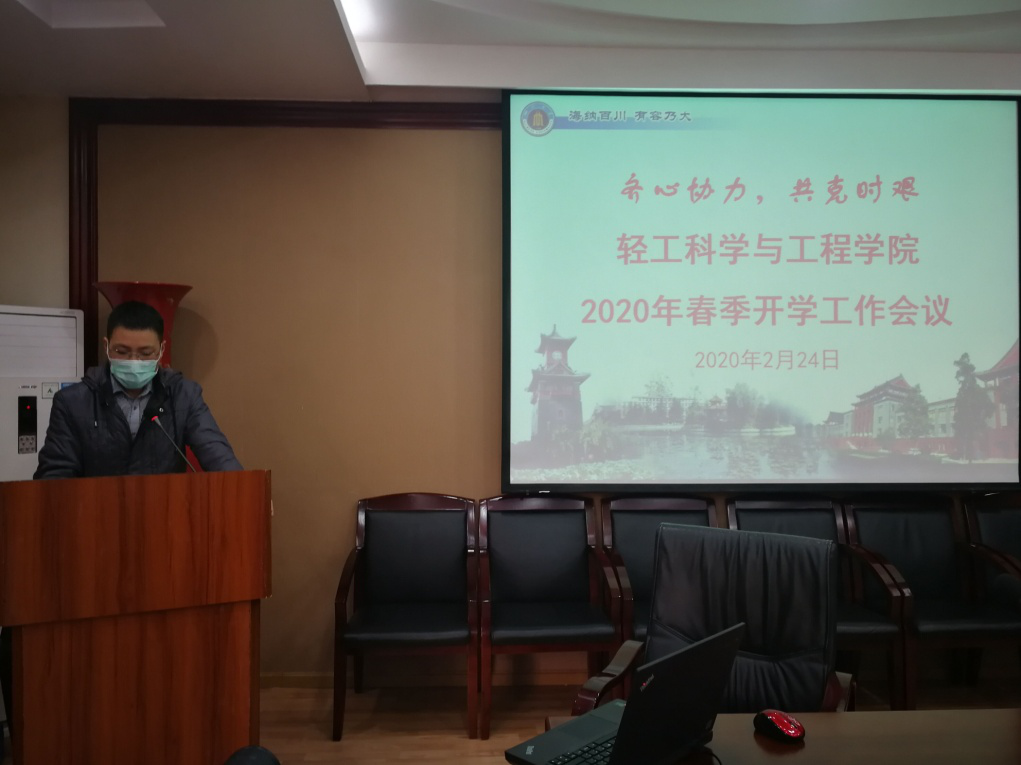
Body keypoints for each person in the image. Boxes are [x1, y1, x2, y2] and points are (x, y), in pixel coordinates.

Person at [34, 299, 242, 478]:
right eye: (122, 351)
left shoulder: (183, 395)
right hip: (96, 509)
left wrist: (242, 490)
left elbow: (218, 455)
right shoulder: (73, 402)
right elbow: (55, 475)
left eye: (145, 353)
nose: (134, 360)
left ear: (161, 350)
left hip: (165, 507)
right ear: (106, 346)